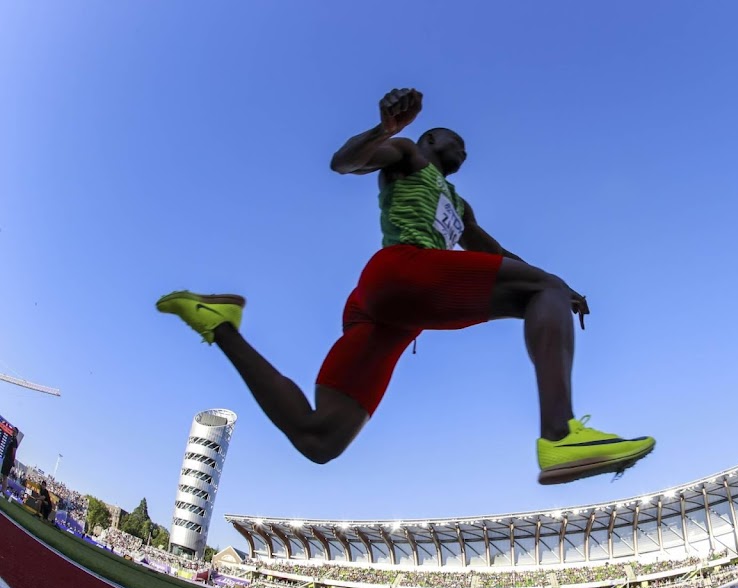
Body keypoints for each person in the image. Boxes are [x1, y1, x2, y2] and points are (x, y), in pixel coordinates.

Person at [156, 87, 655, 485]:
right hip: (399, 272)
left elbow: (497, 254)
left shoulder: (460, 208)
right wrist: (384, 130)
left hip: (388, 309)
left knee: (320, 439)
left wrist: (555, 285)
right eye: (453, 139)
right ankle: (560, 434)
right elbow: (344, 163)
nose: (464, 146)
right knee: (541, 291)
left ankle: (220, 325)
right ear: (430, 141)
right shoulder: (408, 156)